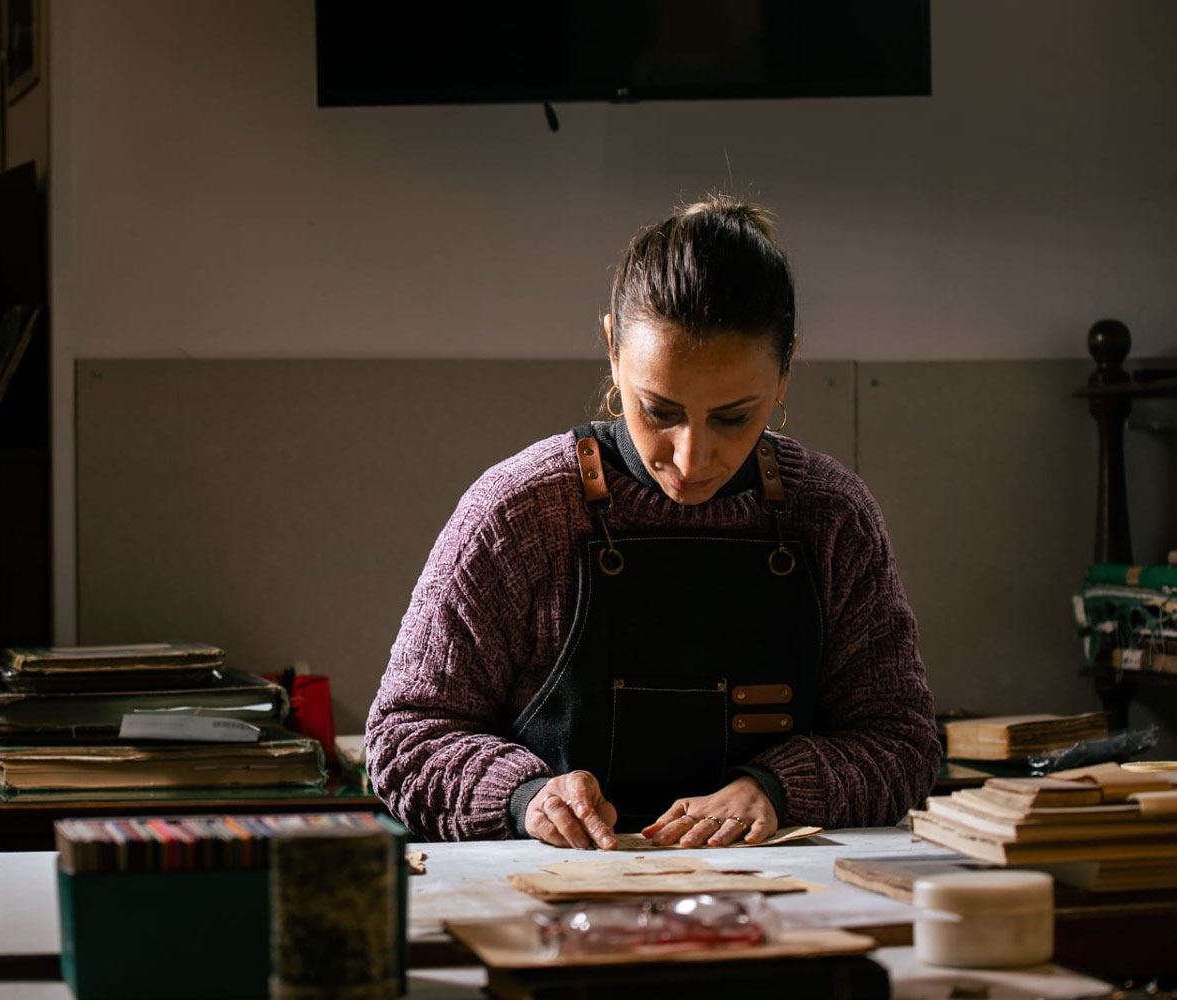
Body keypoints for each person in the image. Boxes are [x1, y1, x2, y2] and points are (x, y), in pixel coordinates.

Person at [365, 195, 939, 849]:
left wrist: (777, 789)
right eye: (659, 410)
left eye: (732, 416)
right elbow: (405, 738)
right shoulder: (519, 514)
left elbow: (902, 743)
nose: (691, 458)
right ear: (613, 350)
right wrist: (525, 796)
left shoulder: (832, 517)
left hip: (782, 903)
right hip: (555, 910)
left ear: (785, 372)